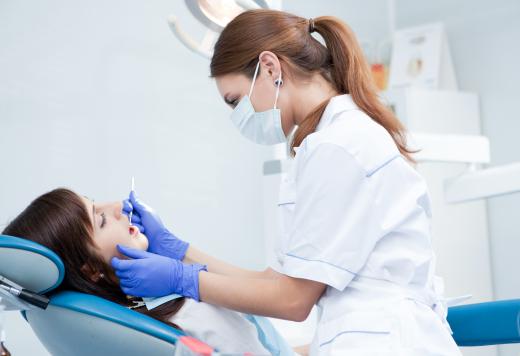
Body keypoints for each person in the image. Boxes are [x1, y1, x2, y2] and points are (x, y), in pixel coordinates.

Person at [111, 9, 462, 355]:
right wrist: (178, 251)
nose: (236, 117)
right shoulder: (327, 143)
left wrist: (180, 279)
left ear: (270, 68)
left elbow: (293, 301)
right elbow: (274, 281)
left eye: (234, 101)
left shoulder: (339, 146)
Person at [2, 188, 280, 355]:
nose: (118, 206)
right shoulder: (192, 313)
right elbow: (288, 302)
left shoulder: (70, 323)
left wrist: (179, 253)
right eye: (100, 219)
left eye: (96, 201)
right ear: (90, 270)